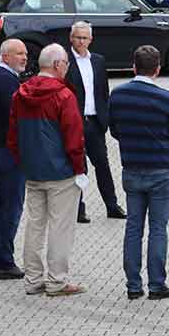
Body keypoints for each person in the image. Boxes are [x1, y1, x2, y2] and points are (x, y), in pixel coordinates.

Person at [7, 44, 87, 297]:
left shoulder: (20, 94)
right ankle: (57, 280)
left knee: (34, 226)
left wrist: (23, 162)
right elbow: (74, 138)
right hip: (61, 172)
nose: (67, 68)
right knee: (60, 228)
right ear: (57, 65)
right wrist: (79, 168)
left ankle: (32, 279)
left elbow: (13, 136)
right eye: (65, 63)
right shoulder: (64, 96)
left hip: (33, 171)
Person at [109, 45, 169, 301]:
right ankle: (156, 284)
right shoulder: (165, 98)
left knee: (133, 227)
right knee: (158, 228)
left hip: (131, 167)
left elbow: (114, 130)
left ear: (133, 66)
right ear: (158, 69)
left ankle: (132, 285)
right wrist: (162, 149)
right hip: (160, 169)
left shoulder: (118, 95)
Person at [65, 21, 125, 223]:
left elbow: (103, 92)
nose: (81, 41)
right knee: (78, 166)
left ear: (91, 40)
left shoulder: (98, 61)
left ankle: (112, 205)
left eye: (85, 38)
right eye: (77, 37)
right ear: (71, 38)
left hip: (95, 122)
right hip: (74, 123)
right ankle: (78, 208)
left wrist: (105, 118)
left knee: (103, 164)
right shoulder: (65, 62)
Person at [0, 39, 27, 279]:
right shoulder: (3, 80)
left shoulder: (4, 77)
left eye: (26, 53)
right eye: (19, 53)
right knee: (9, 208)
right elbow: (17, 115)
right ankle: (2, 261)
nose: (24, 57)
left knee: (3, 206)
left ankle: (0, 258)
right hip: (5, 154)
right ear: (5, 56)